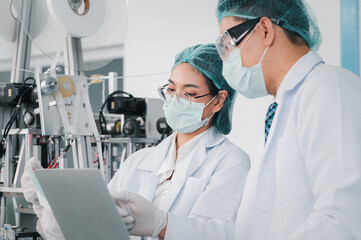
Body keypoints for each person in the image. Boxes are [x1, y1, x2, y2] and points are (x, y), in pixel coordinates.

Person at [21, 43, 250, 240]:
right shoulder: (140, 161)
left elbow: (221, 234)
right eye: (171, 89)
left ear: (219, 100)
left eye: (188, 94)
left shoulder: (230, 161)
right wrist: (50, 210)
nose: (175, 100)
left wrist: (162, 224)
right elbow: (95, 226)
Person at [214, 0, 361, 239]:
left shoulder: (328, 87)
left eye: (228, 44)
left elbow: (345, 216)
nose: (226, 60)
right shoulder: (280, 108)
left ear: (265, 30)